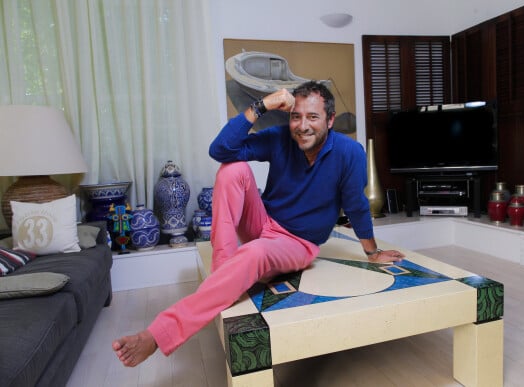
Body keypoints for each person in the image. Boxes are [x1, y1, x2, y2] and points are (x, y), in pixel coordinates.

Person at [112, 81, 405, 367]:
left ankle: (157, 334)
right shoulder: (281, 137)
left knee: (254, 254)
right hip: (263, 222)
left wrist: (372, 252)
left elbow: (355, 205)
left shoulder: (349, 152)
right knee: (232, 170)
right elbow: (220, 150)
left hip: (297, 244)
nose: (302, 126)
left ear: (329, 120)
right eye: (296, 116)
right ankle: (224, 271)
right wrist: (262, 105)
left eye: (313, 117)